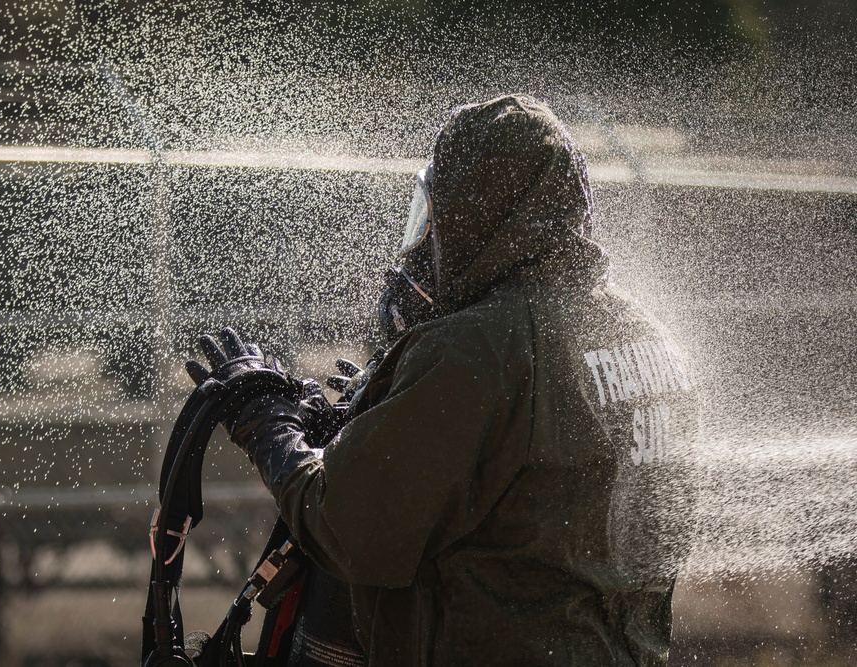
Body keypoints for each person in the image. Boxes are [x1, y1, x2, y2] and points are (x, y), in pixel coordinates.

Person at [191, 94, 701, 666]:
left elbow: (345, 529)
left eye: (436, 216)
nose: (426, 243)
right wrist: (392, 410)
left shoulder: (477, 348)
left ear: (478, 211)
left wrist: (265, 418)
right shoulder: (654, 341)